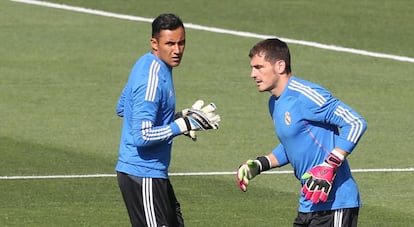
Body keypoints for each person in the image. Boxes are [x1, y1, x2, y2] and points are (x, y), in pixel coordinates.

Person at [236, 38, 367, 227]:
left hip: (336, 204)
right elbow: (293, 143)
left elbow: (355, 123)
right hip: (309, 203)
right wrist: (260, 164)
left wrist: (330, 164)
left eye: (259, 67)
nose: (252, 74)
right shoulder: (274, 103)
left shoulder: (305, 94)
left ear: (280, 66)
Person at [115, 13, 220, 227]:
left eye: (182, 43)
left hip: (151, 173)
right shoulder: (151, 80)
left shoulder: (148, 63)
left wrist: (178, 117)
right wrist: (182, 125)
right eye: (170, 43)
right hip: (142, 174)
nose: (177, 50)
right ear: (155, 43)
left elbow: (122, 107)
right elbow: (142, 136)